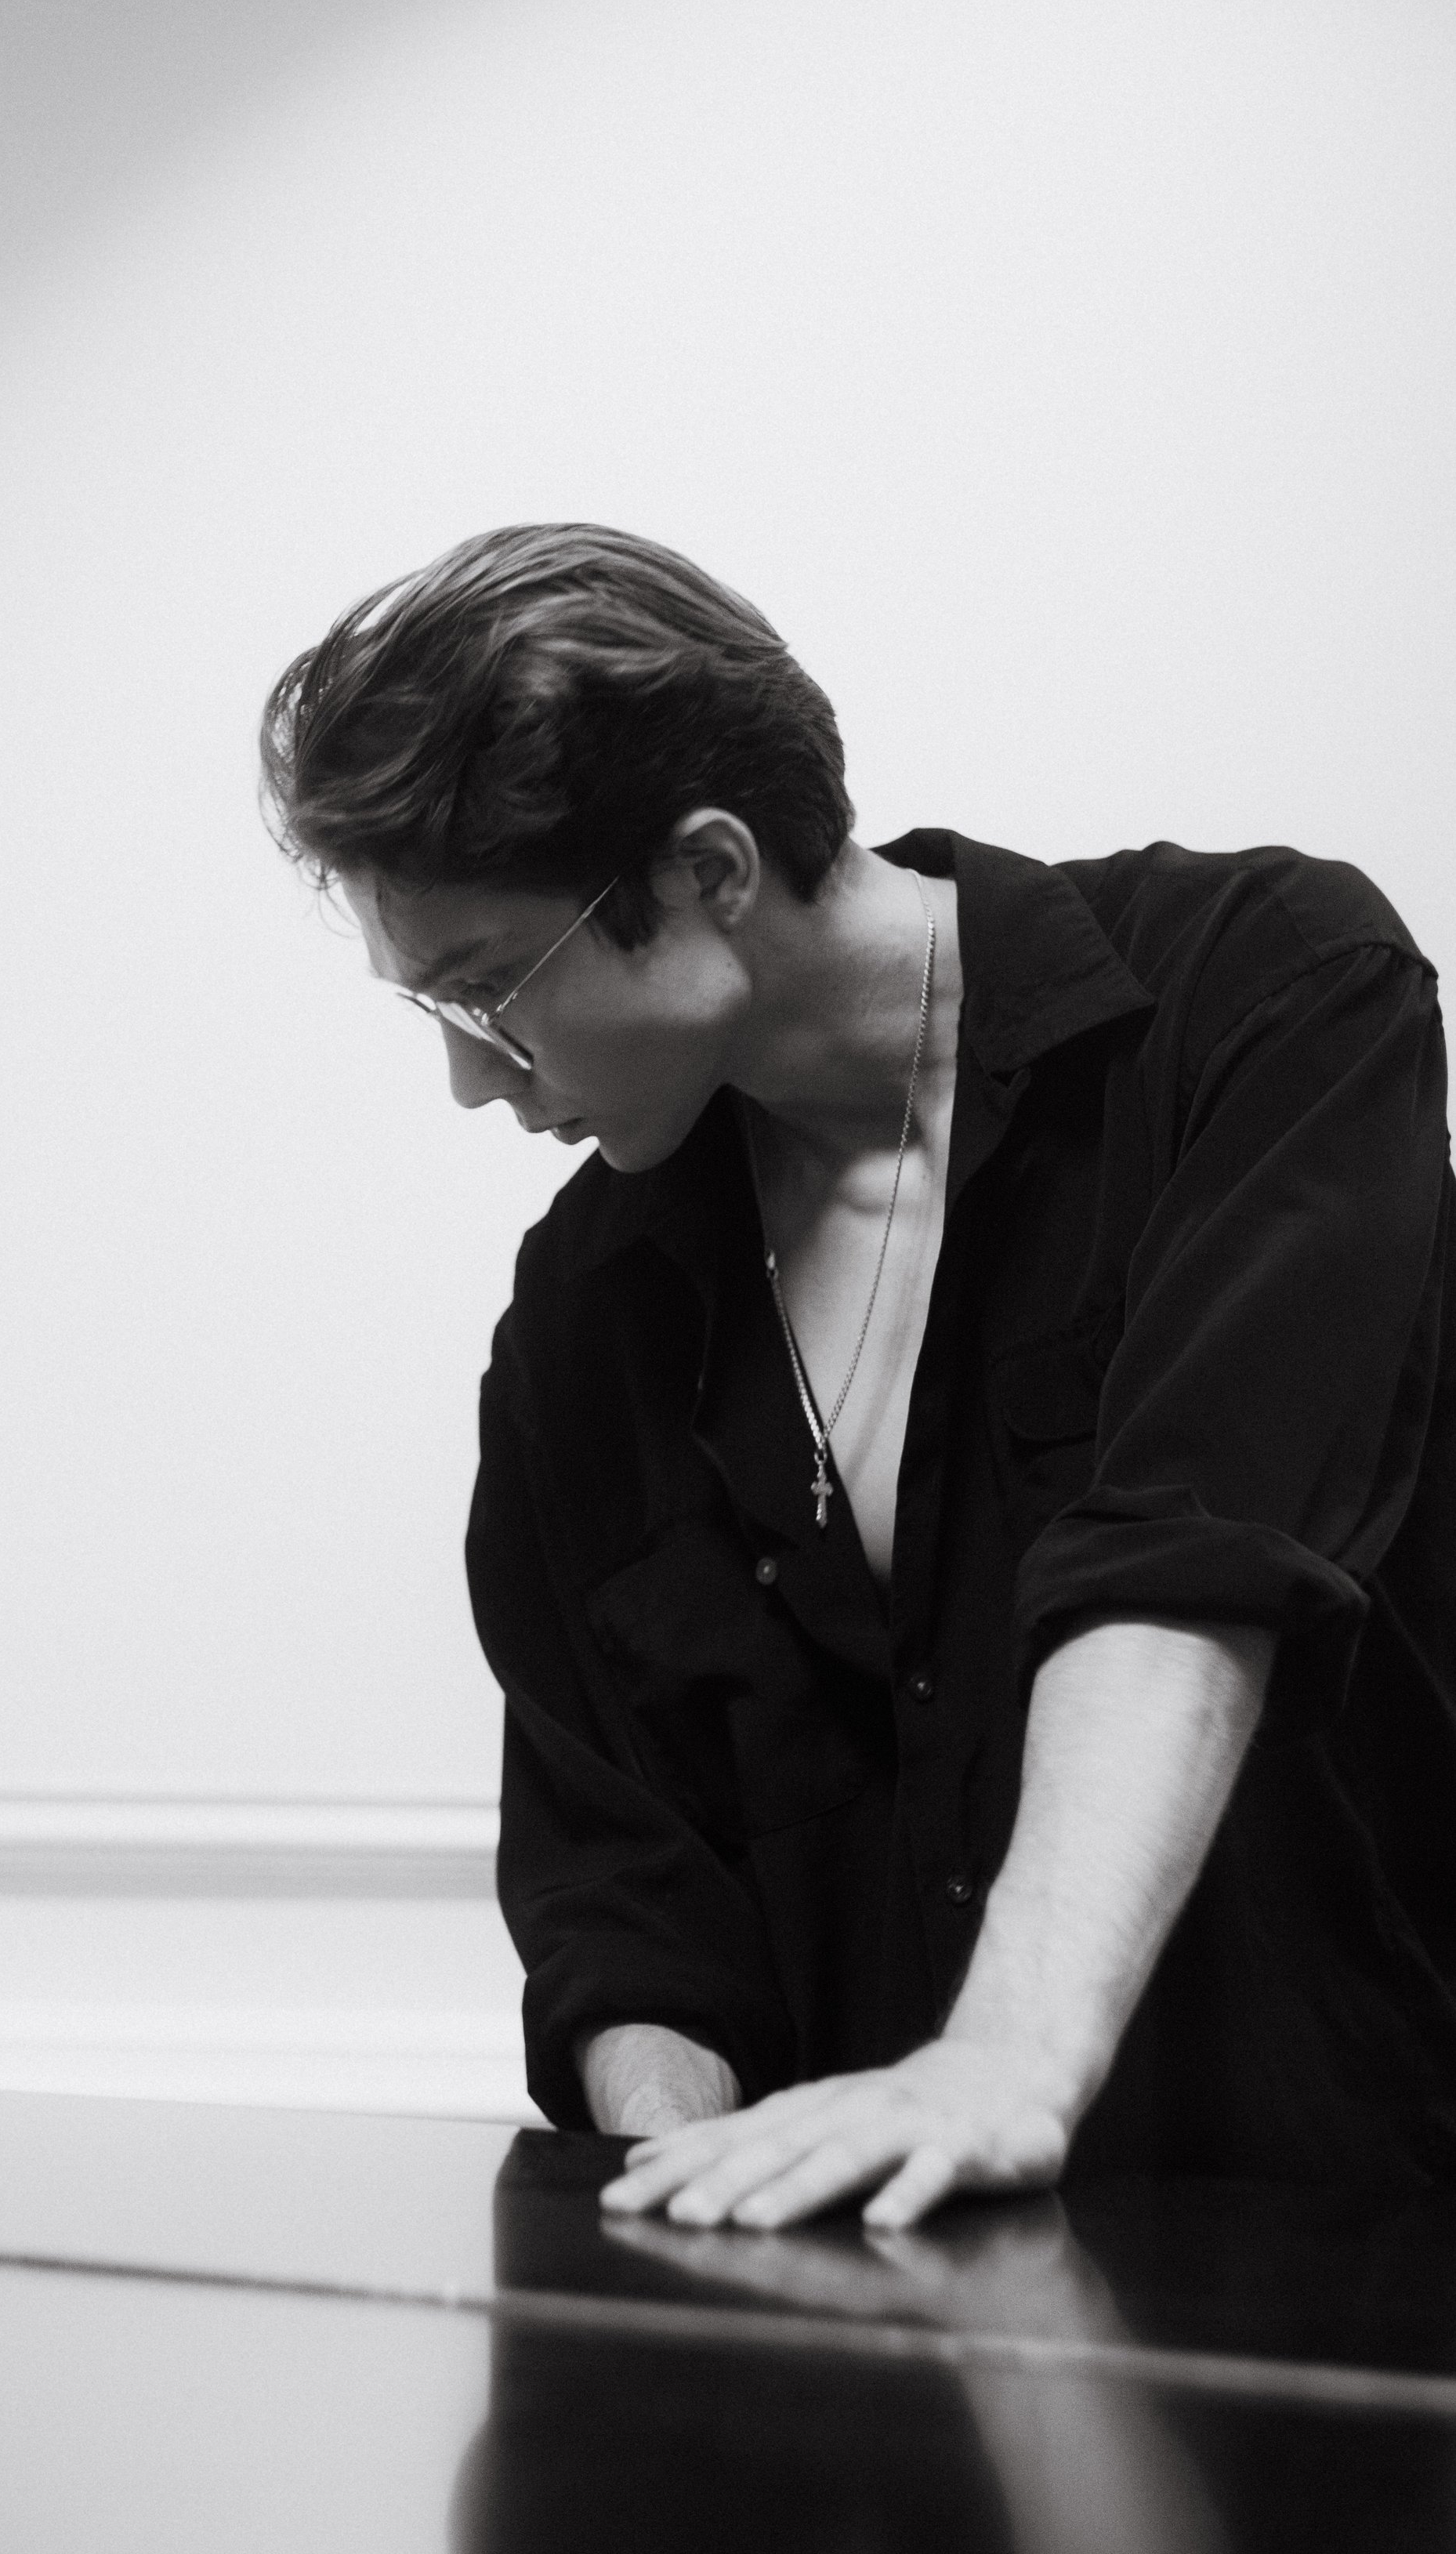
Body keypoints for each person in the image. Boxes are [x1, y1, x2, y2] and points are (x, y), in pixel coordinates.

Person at [259, 522, 1456, 2231]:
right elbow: (624, 1889)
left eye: (490, 992)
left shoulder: (1266, 995)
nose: (473, 1081)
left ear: (707, 873)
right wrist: (680, 2184)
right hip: (877, 2292)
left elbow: (1199, 1558)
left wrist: (1002, 2059)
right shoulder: (587, 1309)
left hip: (1356, 2247)